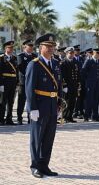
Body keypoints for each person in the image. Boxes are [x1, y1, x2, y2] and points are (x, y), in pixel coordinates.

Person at [25, 33, 61, 178]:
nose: (51, 49)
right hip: (39, 107)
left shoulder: (56, 64)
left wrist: (59, 105)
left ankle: (44, 165)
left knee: (48, 138)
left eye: (53, 46)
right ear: (41, 48)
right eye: (48, 46)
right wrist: (32, 108)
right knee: (37, 138)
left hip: (52, 106)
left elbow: (57, 85)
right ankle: (35, 166)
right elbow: (29, 88)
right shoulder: (34, 64)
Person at [17, 40, 37, 125]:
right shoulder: (21, 56)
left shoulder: (34, 56)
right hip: (24, 82)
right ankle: (19, 118)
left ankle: (30, 118)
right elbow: (20, 68)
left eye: (32, 46)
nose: (31, 48)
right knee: (21, 101)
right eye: (29, 46)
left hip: (32, 83)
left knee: (31, 100)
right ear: (25, 47)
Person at [81, 48, 99, 122]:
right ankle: (86, 116)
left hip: (97, 83)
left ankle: (95, 116)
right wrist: (87, 80)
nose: (98, 55)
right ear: (93, 53)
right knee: (89, 100)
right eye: (97, 53)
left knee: (96, 99)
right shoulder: (89, 61)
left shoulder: (98, 61)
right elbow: (83, 71)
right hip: (90, 84)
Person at [0, 41, 18, 125]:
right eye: (9, 48)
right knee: (3, 101)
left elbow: (16, 71)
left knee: (11, 102)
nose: (11, 49)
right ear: (5, 49)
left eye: (12, 48)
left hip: (13, 82)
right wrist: (1, 84)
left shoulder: (14, 58)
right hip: (5, 81)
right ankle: (1, 118)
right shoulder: (1, 58)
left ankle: (9, 118)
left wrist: (17, 83)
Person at [60, 47, 80, 122]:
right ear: (66, 53)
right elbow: (62, 75)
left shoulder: (75, 62)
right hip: (67, 85)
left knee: (73, 101)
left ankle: (70, 116)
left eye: (72, 53)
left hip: (74, 85)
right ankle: (65, 116)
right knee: (67, 101)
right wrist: (64, 86)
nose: (72, 55)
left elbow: (78, 74)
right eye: (70, 53)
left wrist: (78, 84)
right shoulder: (63, 62)